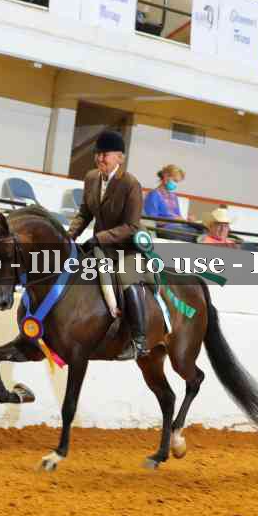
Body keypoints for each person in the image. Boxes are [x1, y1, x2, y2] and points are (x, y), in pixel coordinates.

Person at [68, 130, 150, 357]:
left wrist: (99, 238)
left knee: (126, 278)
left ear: (120, 158)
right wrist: (69, 236)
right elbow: (84, 214)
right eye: (98, 154)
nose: (100, 158)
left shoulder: (131, 184)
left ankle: (139, 340)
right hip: (100, 246)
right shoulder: (91, 178)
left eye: (105, 154)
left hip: (126, 247)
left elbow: (131, 226)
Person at [143, 164, 197, 238]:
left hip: (178, 227)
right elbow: (152, 220)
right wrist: (172, 219)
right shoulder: (153, 195)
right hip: (165, 229)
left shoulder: (173, 196)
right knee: (195, 234)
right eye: (174, 181)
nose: (175, 184)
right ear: (165, 177)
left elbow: (179, 217)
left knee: (201, 230)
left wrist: (188, 221)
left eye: (177, 182)